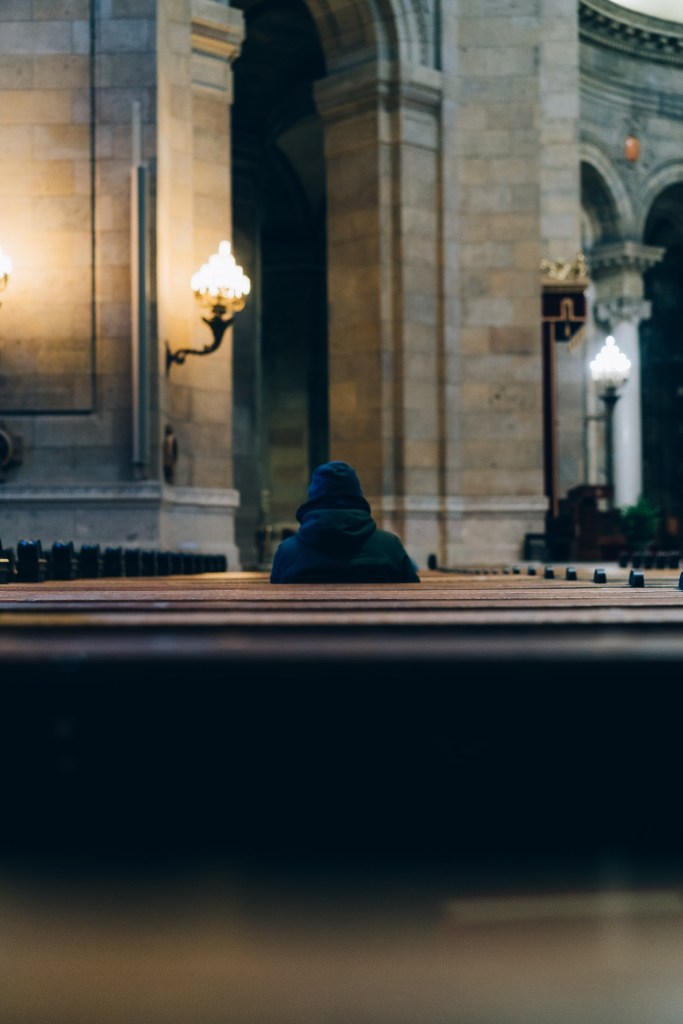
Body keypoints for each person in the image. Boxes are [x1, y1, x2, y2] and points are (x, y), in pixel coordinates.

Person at [270, 460, 420, 583]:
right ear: (357, 494)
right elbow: (413, 594)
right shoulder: (390, 546)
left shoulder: (287, 552)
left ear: (313, 496)